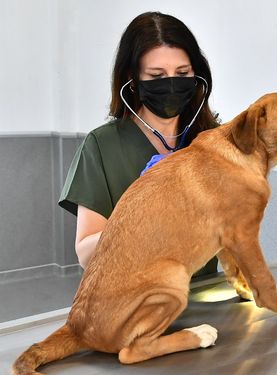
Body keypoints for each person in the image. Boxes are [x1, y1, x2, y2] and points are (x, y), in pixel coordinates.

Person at [59, 12, 220, 271]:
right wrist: (143, 217)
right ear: (132, 81)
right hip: (132, 301)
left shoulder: (212, 141)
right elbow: (87, 256)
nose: (171, 85)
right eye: (157, 76)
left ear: (196, 75)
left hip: (203, 296)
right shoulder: (101, 146)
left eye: (182, 73)